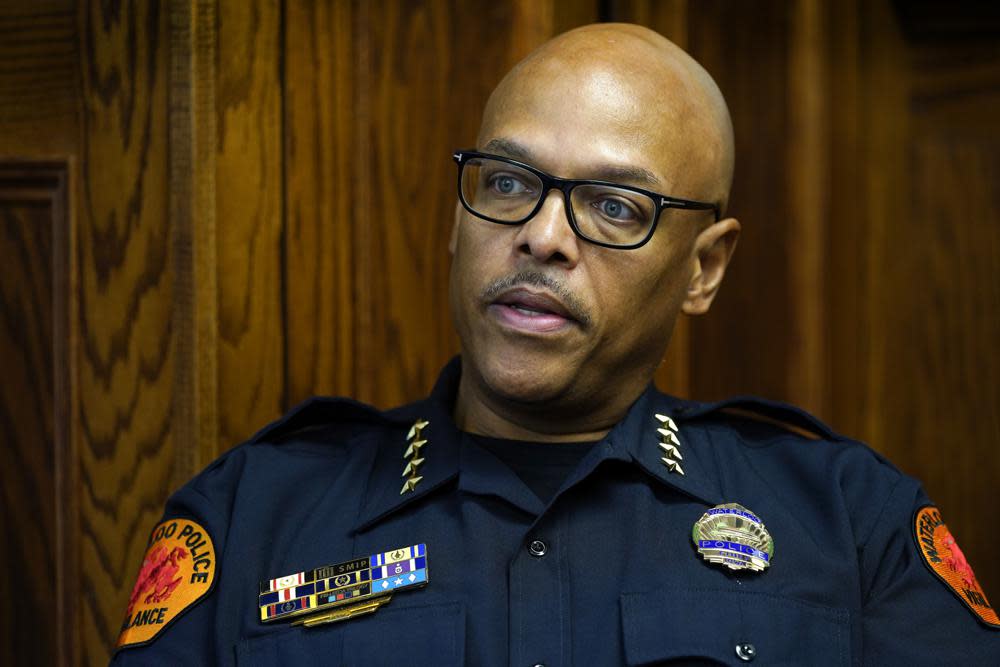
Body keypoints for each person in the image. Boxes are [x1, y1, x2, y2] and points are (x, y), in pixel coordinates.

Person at [111, 23, 999, 665]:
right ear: (457, 223)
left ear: (704, 269)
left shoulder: (852, 525)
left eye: (615, 205)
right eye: (508, 182)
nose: (541, 236)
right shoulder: (248, 518)